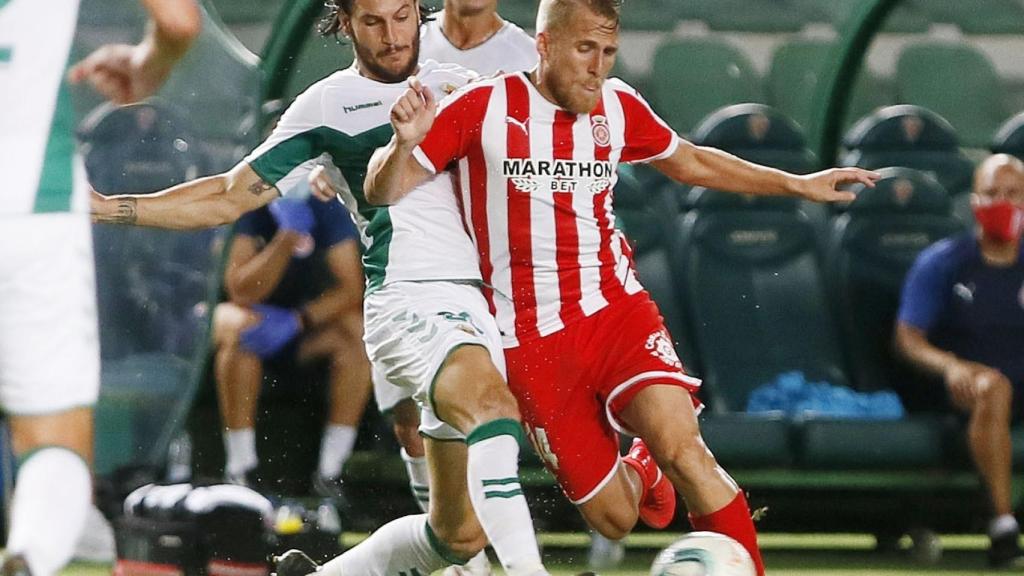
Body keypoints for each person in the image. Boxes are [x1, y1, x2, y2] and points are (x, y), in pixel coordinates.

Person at [363, 1, 880, 574]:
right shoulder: (483, 107)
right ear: (544, 45)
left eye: (608, 52)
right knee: (615, 518)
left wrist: (798, 185)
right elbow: (382, 191)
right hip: (531, 342)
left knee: (687, 452)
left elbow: (691, 162)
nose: (598, 67)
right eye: (585, 49)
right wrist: (402, 143)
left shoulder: (619, 105)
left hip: (616, 312)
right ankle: (641, 468)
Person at [90, 0, 551, 574]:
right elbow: (228, 195)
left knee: (458, 534)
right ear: (345, 24)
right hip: (412, 299)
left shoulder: (462, 85)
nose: (392, 36)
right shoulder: (328, 105)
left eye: (402, 16)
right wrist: (110, 207)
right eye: (373, 21)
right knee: (490, 408)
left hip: (488, 304)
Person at [0, 1, 201, 574]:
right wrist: (146, 64)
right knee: (54, 442)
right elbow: (179, 22)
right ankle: (32, 553)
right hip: (31, 204)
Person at [895, 153, 1024, 568]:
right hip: (965, 385)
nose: (1001, 203)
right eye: (991, 194)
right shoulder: (944, 262)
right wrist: (950, 366)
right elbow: (908, 337)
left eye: (1012, 194)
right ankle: (1003, 524)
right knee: (993, 387)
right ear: (974, 203)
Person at [213, 189, 371, 498]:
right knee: (236, 328)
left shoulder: (325, 206)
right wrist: (286, 238)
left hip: (302, 329)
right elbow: (241, 291)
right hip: (252, 323)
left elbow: (351, 289)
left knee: (357, 336)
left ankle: (332, 471)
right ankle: (240, 468)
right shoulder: (249, 206)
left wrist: (300, 320)